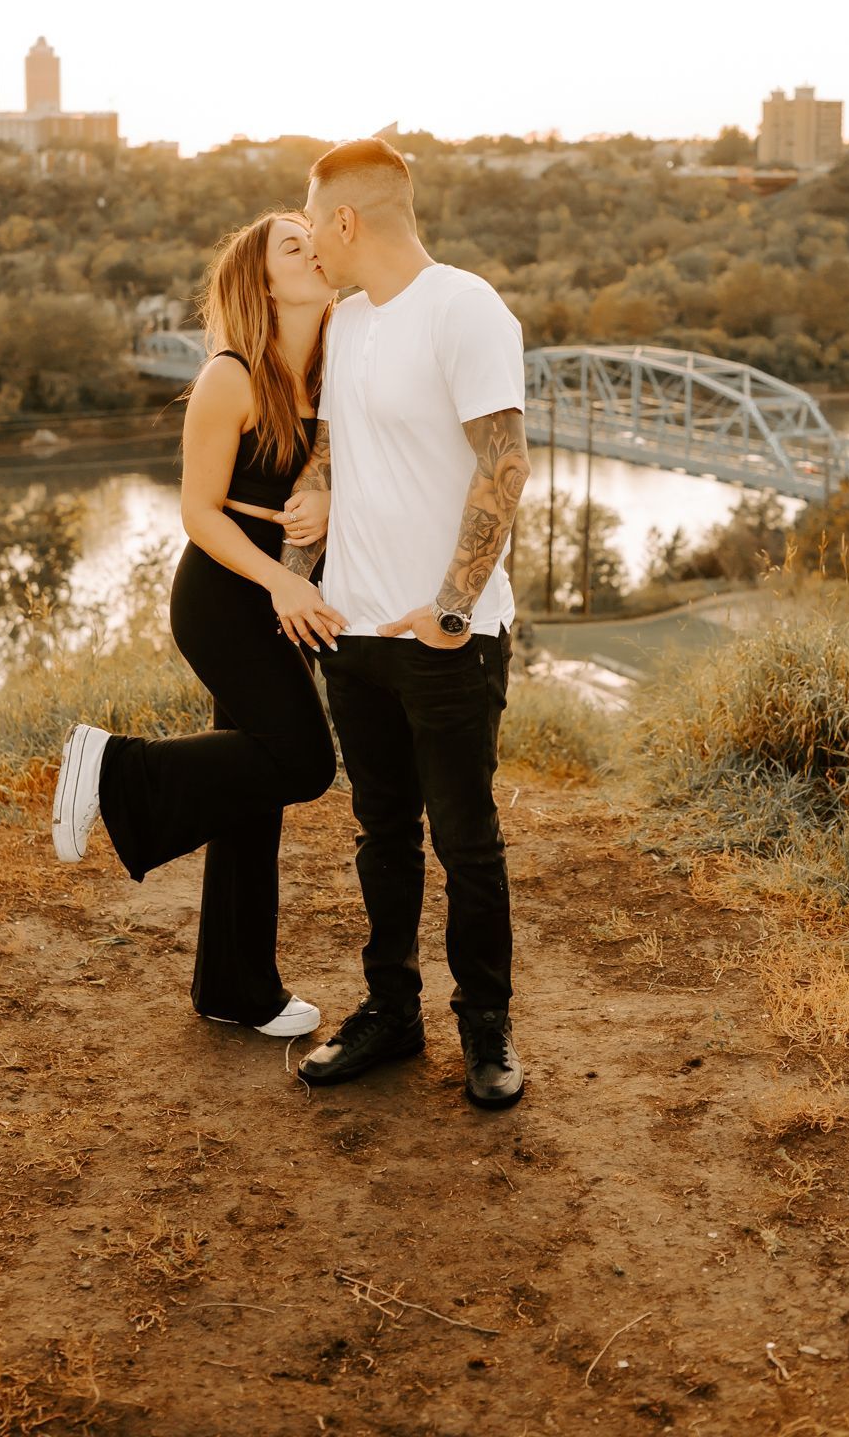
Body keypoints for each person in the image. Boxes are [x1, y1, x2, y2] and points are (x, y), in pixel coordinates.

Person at [50, 212, 347, 1040]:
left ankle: (234, 987)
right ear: (260, 281)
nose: (314, 248)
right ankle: (112, 768)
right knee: (304, 761)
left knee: (257, 790)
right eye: (293, 246)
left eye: (315, 236)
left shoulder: (335, 363)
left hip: (287, 585)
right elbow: (197, 514)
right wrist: (280, 587)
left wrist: (325, 503)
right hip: (226, 590)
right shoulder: (231, 376)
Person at [284, 138, 532, 1108]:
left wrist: (455, 606)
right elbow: (333, 454)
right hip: (354, 631)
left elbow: (503, 464)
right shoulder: (345, 322)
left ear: (347, 220)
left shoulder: (466, 308)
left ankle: (486, 1026)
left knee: (465, 840)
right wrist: (300, 550)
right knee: (381, 833)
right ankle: (391, 1011)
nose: (309, 243)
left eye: (312, 225)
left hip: (445, 638)